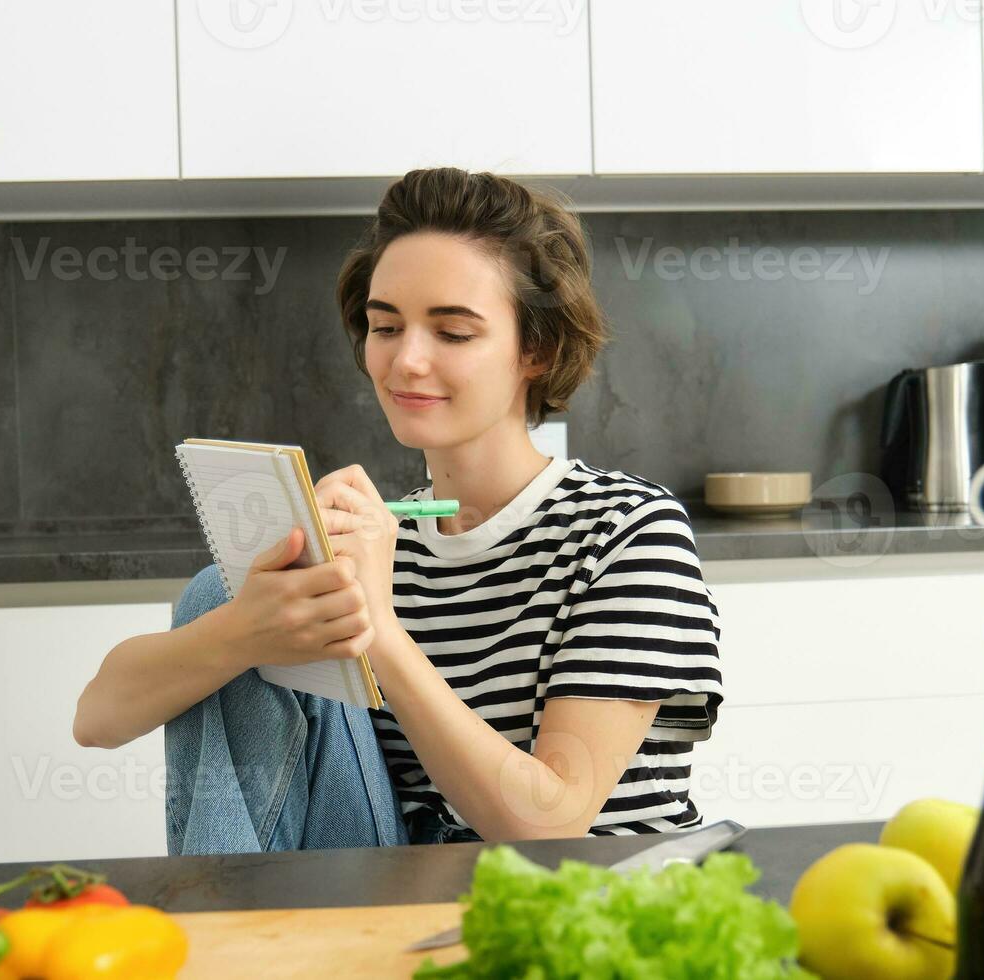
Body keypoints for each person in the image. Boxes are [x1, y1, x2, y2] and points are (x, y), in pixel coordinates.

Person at [72, 167, 723, 850]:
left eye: (453, 332)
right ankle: (240, 934)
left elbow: (549, 826)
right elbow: (97, 720)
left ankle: (238, 941)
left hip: (571, 899)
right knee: (223, 597)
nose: (405, 360)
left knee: (287, 605)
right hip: (399, 890)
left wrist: (376, 626)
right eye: (386, 326)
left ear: (538, 348)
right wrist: (251, 622)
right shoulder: (378, 538)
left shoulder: (627, 532)